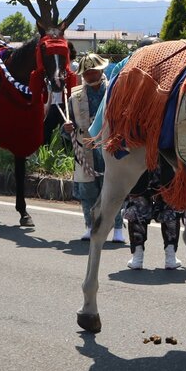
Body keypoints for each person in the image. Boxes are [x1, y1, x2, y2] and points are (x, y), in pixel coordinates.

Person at [64, 53, 125, 242]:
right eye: (87, 72)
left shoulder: (115, 90)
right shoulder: (74, 96)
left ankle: (117, 229)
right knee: (87, 191)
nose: (91, 75)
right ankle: (90, 226)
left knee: (113, 190)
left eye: (94, 71)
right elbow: (68, 129)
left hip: (110, 145)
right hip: (85, 147)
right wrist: (67, 129)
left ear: (101, 69)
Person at [123, 155, 184, 270]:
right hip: (167, 159)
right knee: (169, 208)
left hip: (141, 160)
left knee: (138, 208)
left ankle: (137, 257)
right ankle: (170, 257)